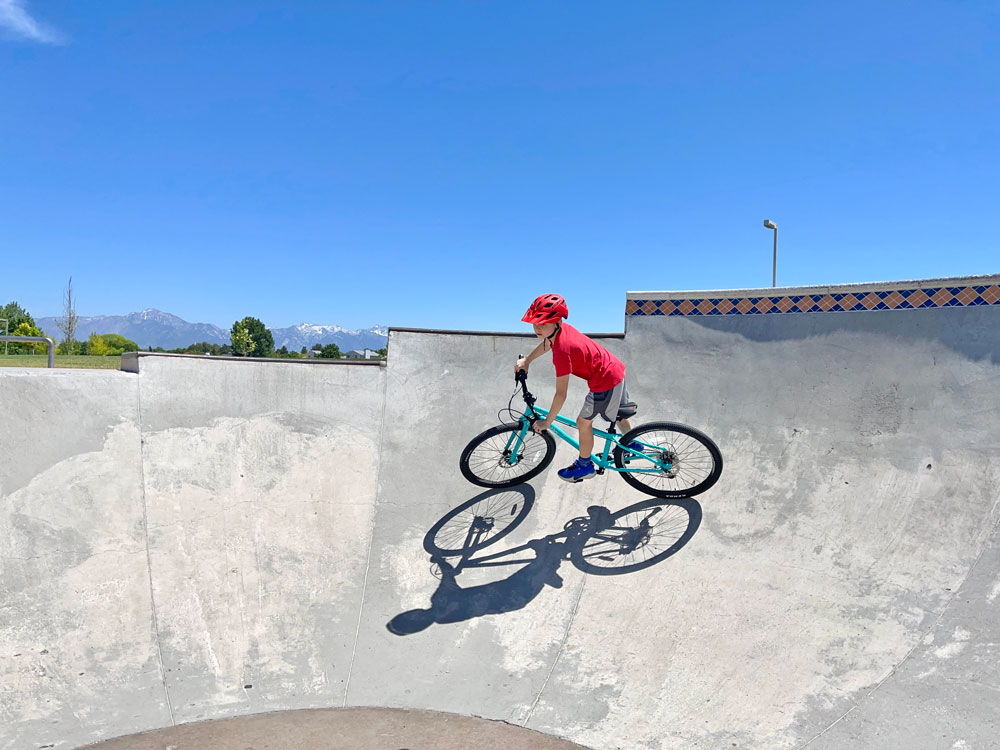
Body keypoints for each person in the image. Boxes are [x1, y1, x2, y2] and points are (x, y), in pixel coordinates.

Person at [514, 293, 637, 483]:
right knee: (618, 414)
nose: (537, 327)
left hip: (604, 380)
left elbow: (561, 394)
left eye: (543, 323)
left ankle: (584, 466)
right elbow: (547, 343)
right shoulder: (560, 331)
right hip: (614, 369)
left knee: (583, 422)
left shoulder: (563, 351)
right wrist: (527, 360)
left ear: (557, 322)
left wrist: (547, 422)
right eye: (535, 323)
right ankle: (632, 444)